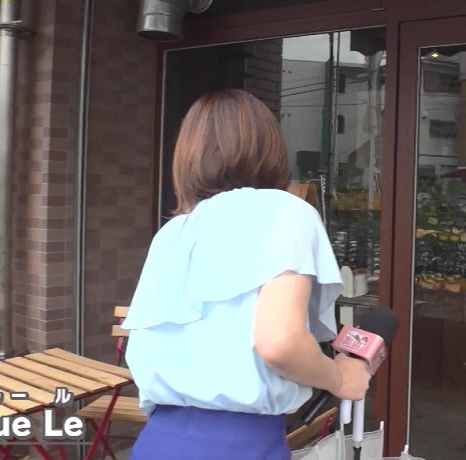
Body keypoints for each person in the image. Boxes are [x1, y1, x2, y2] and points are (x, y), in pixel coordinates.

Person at [120, 90, 371, 459]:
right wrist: (339, 378)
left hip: (157, 441)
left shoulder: (172, 233)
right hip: (241, 444)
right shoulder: (286, 213)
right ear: (270, 147)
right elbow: (280, 341)